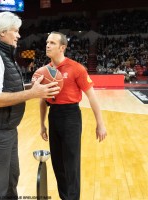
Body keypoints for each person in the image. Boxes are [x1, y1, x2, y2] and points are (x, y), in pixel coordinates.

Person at [0, 12, 60, 200]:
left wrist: (35, 86)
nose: (18, 35)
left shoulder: (4, 54)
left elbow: (11, 89)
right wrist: (33, 93)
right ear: (3, 32)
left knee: (11, 178)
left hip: (7, 129)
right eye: (16, 31)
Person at [39, 32, 107, 200]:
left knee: (71, 163)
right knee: (57, 163)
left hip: (71, 116)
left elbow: (92, 96)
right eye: (47, 42)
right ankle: (65, 197)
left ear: (62, 47)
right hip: (53, 115)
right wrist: (42, 124)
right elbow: (43, 100)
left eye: (52, 43)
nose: (48, 45)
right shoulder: (46, 71)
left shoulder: (76, 68)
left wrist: (100, 123)